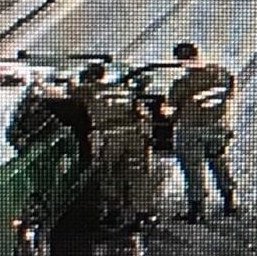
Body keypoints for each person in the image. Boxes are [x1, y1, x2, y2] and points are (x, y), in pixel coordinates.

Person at [71, 62, 156, 230]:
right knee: (138, 174)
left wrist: (42, 83)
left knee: (110, 173)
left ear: (88, 78)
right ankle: (143, 215)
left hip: (110, 138)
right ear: (103, 76)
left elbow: (64, 94)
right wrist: (147, 137)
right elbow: (143, 113)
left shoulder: (87, 90)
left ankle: (114, 215)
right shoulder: (123, 89)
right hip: (134, 136)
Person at [166, 42, 237, 224]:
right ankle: (229, 202)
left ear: (182, 61)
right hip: (218, 128)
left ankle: (197, 210)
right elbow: (230, 93)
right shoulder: (221, 73)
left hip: (192, 131)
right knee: (219, 162)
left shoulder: (182, 84)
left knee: (193, 169)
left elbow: (170, 110)